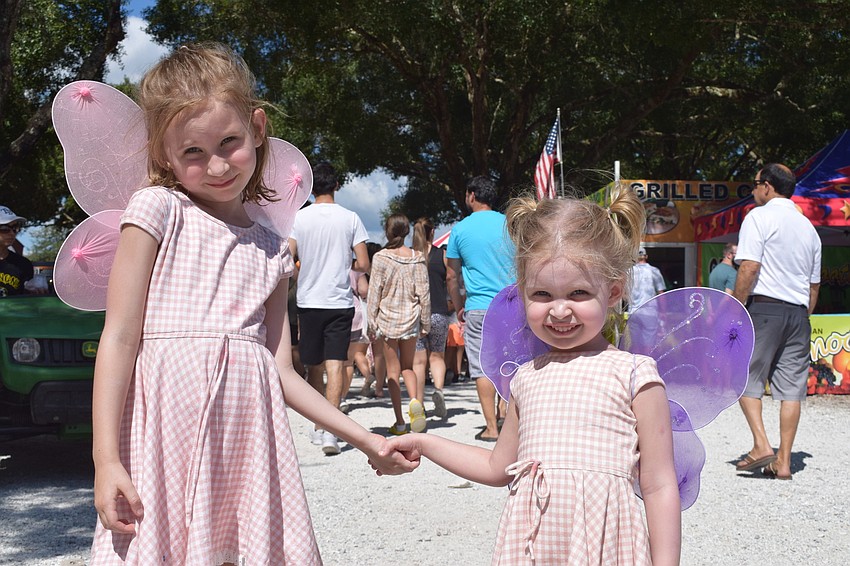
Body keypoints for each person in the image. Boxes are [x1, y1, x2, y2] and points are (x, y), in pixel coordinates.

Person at [89, 44, 415, 566]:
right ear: (162, 153)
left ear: (257, 128)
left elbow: (280, 370)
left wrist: (367, 439)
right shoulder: (156, 210)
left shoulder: (272, 247)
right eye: (192, 152)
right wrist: (105, 459)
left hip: (246, 440)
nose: (216, 165)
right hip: (163, 441)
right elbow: (120, 336)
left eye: (229, 142)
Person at [385, 191, 681, 565]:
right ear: (522, 294)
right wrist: (424, 443)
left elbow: (658, 485)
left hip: (608, 547)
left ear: (613, 292)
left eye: (578, 292)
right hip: (533, 549)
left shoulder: (634, 375)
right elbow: (497, 467)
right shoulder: (526, 378)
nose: (559, 310)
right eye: (541, 293)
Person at [732, 163, 821, 481]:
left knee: (743, 376)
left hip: (765, 308)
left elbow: (749, 267)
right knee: (792, 391)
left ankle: (760, 445)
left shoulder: (758, 217)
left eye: (754, 184)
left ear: (767, 186)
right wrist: (803, 315)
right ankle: (783, 462)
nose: (754, 190)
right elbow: (814, 286)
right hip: (799, 313)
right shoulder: (809, 228)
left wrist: (737, 306)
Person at [289, 162, 370, 455]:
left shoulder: (298, 217)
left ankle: (318, 424)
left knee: (314, 366)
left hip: (309, 300)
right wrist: (345, 264)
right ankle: (331, 432)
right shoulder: (350, 218)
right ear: (336, 185)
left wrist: (304, 270)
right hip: (339, 301)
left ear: (312, 188)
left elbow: (288, 258)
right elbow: (364, 263)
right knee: (336, 363)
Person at [446, 176, 514, 441]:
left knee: (482, 366)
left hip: (478, 307)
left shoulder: (460, 229)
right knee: (508, 361)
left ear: (472, 195)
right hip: (510, 304)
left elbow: (452, 275)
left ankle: (491, 428)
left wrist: (459, 306)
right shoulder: (509, 224)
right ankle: (504, 411)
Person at [367, 213, 431, 435]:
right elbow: (424, 294)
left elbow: (374, 292)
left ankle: (400, 422)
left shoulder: (381, 257)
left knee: (393, 372)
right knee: (408, 367)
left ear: (388, 231)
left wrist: (371, 323)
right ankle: (415, 401)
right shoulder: (417, 257)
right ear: (406, 231)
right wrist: (425, 323)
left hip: (388, 320)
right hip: (410, 319)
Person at [412, 217, 450, 418]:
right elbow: (451, 278)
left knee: (418, 361)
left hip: (416, 314)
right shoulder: (441, 255)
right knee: (437, 356)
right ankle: (438, 390)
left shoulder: (411, 255)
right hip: (439, 313)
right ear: (432, 232)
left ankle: (419, 403)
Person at [0, 206, 35, 297]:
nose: (12, 233)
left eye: (15, 228)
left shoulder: (23, 265)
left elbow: (26, 299)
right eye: (4, 228)